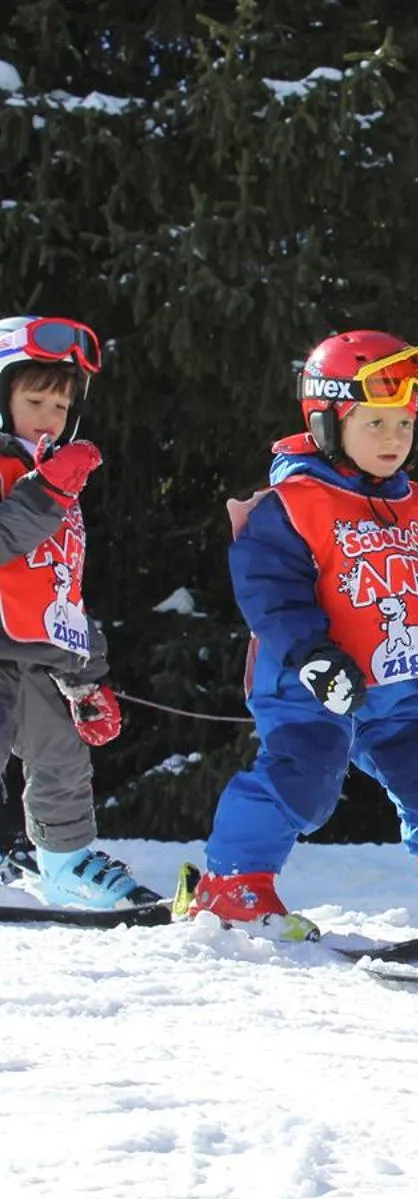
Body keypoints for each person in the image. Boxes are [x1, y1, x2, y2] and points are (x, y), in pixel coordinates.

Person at [177, 331, 418, 947]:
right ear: (326, 421)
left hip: (398, 687)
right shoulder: (292, 505)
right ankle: (233, 884)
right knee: (304, 778)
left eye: (403, 424)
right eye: (374, 423)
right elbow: (270, 592)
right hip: (310, 686)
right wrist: (312, 655)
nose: (393, 440)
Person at [0, 316, 143, 907]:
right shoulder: (40, 482)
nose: (50, 418)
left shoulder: (58, 478)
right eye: (35, 401)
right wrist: (45, 494)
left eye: (61, 406)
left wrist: (89, 677)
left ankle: (64, 864)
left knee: (62, 760)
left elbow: (62, 589)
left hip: (39, 655)